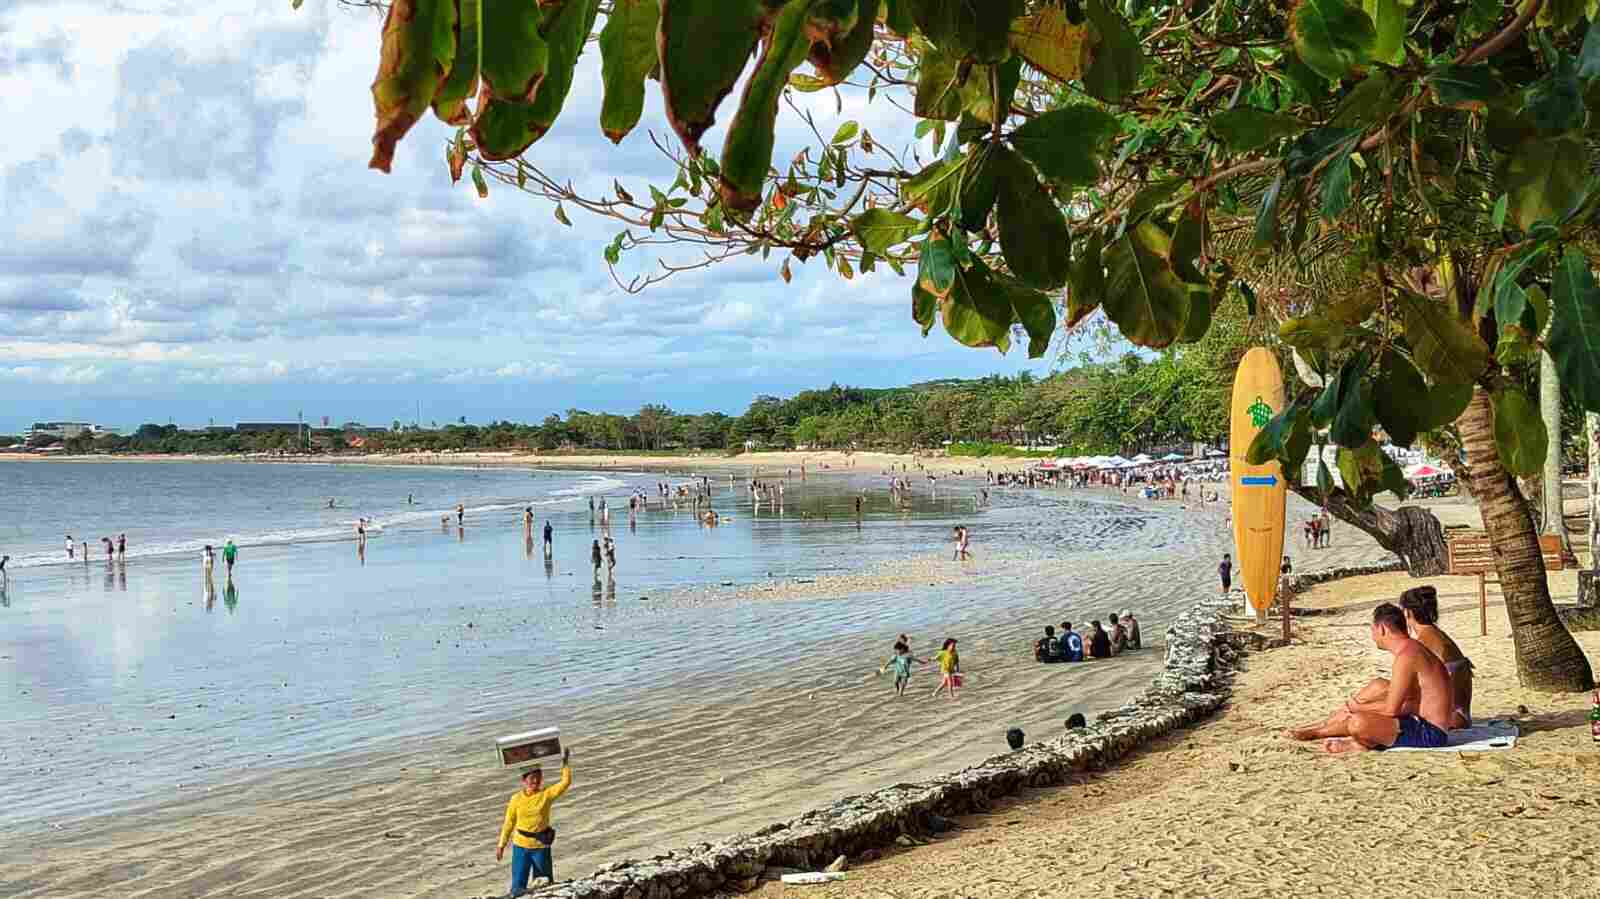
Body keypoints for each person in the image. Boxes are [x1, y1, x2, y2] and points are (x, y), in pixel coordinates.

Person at [1285, 603, 1454, 752]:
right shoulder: (1412, 649)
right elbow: (1410, 701)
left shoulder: (1407, 657)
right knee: (1378, 686)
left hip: (1430, 733)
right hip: (1419, 717)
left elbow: (1391, 710)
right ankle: (1322, 728)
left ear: (1382, 629)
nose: (1373, 635)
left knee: (1358, 722)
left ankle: (1344, 738)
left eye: (1372, 630)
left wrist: (1357, 707)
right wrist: (1360, 706)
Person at [496, 748, 573, 896]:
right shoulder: (516, 799)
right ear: (524, 780)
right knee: (518, 886)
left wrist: (565, 762)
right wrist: (501, 845)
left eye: (538, 777)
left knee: (544, 885)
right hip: (521, 847)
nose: (536, 781)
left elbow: (566, 782)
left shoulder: (546, 795)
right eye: (532, 778)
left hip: (540, 847)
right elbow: (509, 823)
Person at [1398, 586, 1473, 728]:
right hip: (1460, 715)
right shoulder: (1437, 635)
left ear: (1407, 612)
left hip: (1450, 718)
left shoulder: (1423, 642)